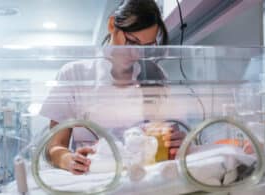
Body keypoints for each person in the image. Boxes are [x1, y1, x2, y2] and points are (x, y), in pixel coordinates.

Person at [40, 0, 186, 175]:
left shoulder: (156, 76)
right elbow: (54, 147)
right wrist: (67, 159)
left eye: (146, 48)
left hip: (140, 177)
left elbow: (164, 136)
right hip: (93, 175)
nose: (136, 53)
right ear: (112, 25)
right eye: (132, 42)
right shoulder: (74, 74)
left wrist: (176, 141)